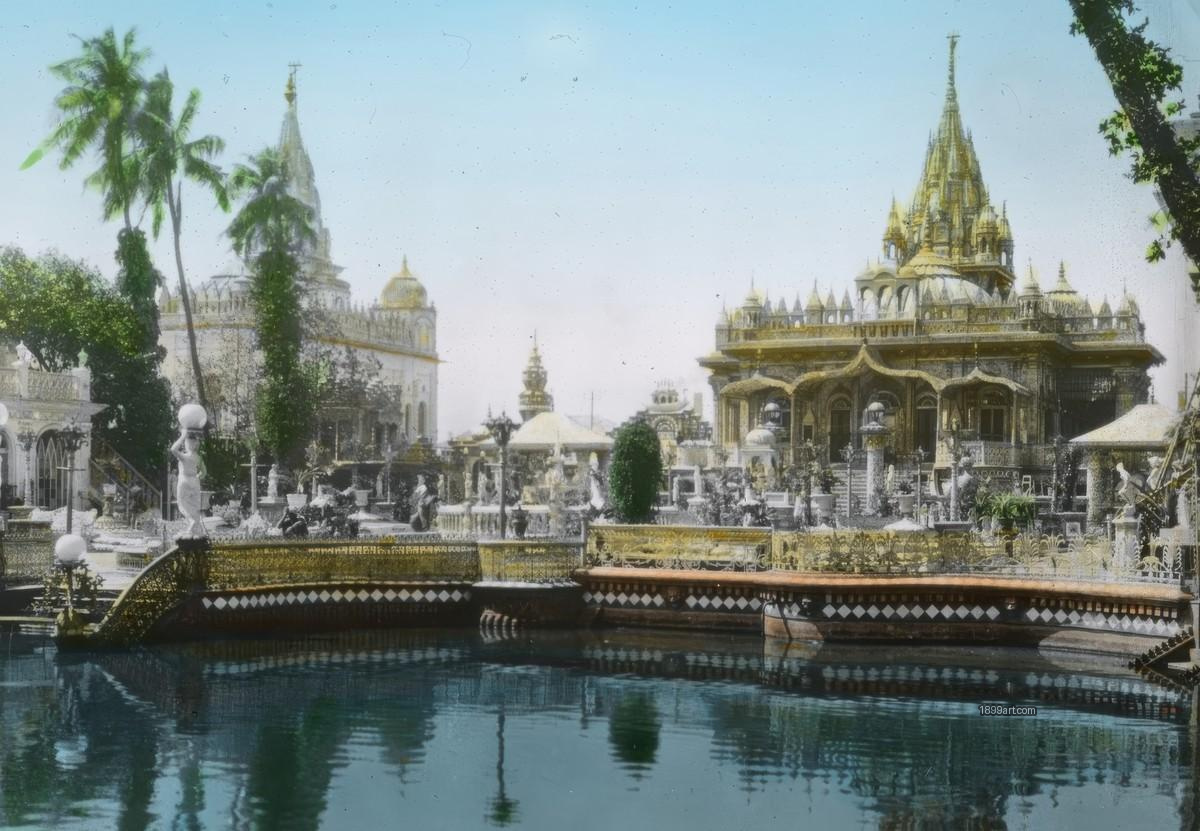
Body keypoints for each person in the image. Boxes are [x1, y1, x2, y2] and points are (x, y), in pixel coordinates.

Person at [171, 428, 205, 538]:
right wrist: (196, 478)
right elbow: (204, 472)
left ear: (187, 444)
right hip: (195, 481)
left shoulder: (185, 457)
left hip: (184, 480)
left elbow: (173, 449)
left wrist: (182, 436)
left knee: (183, 504)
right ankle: (193, 530)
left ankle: (191, 523)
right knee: (194, 506)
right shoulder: (198, 458)